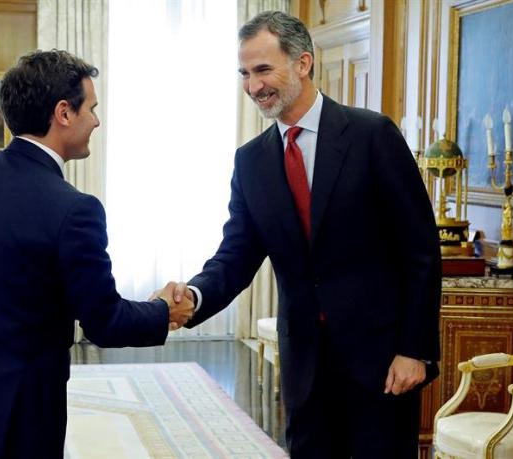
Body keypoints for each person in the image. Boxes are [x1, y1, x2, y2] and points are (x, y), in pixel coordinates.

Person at [165, 11, 441, 458]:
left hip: (382, 363)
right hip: (306, 369)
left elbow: (420, 252)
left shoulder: (372, 136)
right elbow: (236, 254)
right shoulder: (251, 161)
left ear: (303, 63)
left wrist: (415, 350)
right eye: (245, 74)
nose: (253, 87)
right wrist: (194, 296)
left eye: (262, 70)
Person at [0, 50, 194, 459]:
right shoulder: (74, 209)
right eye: (91, 108)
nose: (96, 120)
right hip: (18, 414)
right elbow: (105, 322)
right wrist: (164, 311)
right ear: (64, 112)